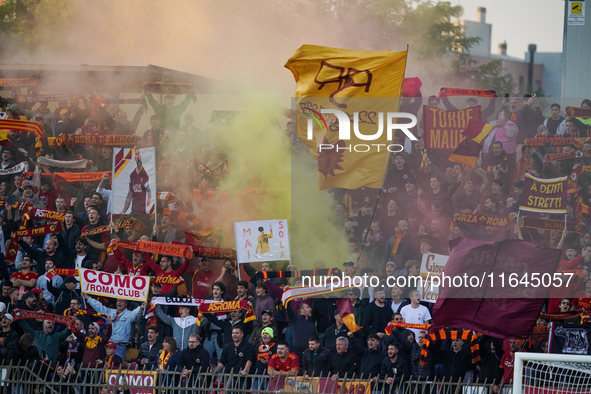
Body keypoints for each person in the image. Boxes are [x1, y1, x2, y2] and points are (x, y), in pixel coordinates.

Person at [82, 292, 145, 359]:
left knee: (118, 367)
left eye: (121, 301)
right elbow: (99, 307)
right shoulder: (110, 312)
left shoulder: (129, 314)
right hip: (109, 345)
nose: (119, 303)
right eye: (118, 301)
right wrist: (88, 298)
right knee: (108, 367)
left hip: (120, 346)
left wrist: (141, 307)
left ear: (126, 304)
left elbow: (136, 312)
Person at [121, 148, 151, 215]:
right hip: (134, 211)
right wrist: (123, 211)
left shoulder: (145, 173)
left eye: (139, 154)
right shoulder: (132, 175)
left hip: (143, 212)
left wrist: (149, 200)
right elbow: (129, 194)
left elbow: (149, 190)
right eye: (136, 154)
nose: (137, 156)